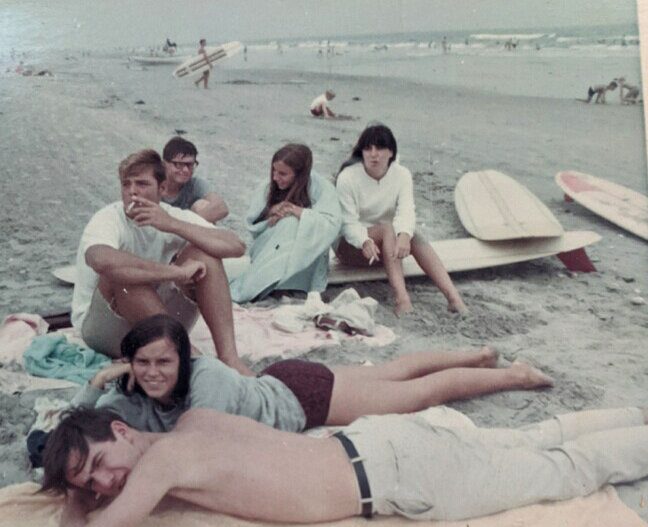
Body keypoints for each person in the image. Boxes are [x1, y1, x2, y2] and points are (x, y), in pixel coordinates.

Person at [43, 402, 648, 527]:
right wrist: (88, 478)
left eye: (98, 462)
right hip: (377, 440)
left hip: (397, 475)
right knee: (530, 438)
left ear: (124, 429)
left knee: (565, 471)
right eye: (90, 482)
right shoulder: (195, 425)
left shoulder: (161, 465)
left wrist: (74, 498)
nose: (105, 482)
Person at [68, 313, 551, 435]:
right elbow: (75, 426)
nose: (153, 374)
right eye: (143, 363)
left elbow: (195, 442)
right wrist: (98, 384)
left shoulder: (207, 377)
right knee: (391, 371)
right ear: (129, 363)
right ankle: (478, 353)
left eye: (163, 362)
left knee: (418, 393)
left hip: (303, 400)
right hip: (285, 379)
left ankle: (514, 375)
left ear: (183, 359)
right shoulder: (130, 392)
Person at [70, 149, 251, 376]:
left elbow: (236, 246)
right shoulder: (109, 217)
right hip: (105, 328)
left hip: (156, 320)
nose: (132, 192)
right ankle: (191, 358)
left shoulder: (170, 215)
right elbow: (100, 260)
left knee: (205, 255)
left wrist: (173, 225)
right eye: (127, 185)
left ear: (163, 189)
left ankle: (229, 358)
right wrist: (173, 273)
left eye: (142, 184)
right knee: (124, 275)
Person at [335, 124, 467, 315]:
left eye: (380, 148)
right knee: (388, 228)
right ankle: (402, 300)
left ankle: (454, 299)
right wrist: (364, 241)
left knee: (414, 236)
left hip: (386, 249)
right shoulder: (348, 178)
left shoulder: (402, 175)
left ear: (391, 152)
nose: (373, 154)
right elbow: (347, 224)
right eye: (368, 148)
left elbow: (406, 210)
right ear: (361, 151)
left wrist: (404, 235)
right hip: (352, 248)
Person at [229, 144, 342, 302]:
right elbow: (253, 225)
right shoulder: (268, 186)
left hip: (308, 253)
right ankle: (268, 283)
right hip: (270, 246)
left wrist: (298, 212)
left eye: (283, 174)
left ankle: (291, 283)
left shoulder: (323, 188)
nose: (275, 178)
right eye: (274, 171)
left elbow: (331, 224)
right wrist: (272, 212)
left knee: (292, 223)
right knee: (287, 223)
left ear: (299, 174)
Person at [161, 137, 228, 223]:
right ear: (164, 164)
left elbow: (221, 207)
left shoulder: (195, 184)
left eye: (190, 165)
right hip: (155, 230)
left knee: (202, 205)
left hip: (185, 231)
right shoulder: (154, 183)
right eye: (178, 164)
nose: (186, 170)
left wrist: (182, 227)